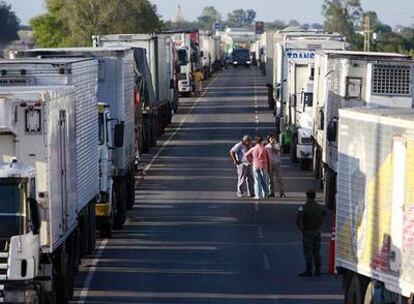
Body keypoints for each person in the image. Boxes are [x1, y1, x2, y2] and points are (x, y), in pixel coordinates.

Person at [296, 189, 326, 277]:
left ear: (307, 196)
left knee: (308, 251)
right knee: (316, 251)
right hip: (317, 231)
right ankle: (318, 270)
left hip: (307, 231)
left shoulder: (303, 207)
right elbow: (324, 213)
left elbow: (297, 217)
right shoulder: (319, 206)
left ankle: (308, 270)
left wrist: (301, 228)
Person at [265, 134, 286, 198]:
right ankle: (271, 192)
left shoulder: (277, 145)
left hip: (277, 163)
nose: (272, 140)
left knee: (279, 179)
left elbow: (277, 151)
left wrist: (272, 146)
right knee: (270, 179)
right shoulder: (266, 147)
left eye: (273, 138)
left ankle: (282, 193)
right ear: (269, 139)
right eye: (271, 139)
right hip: (270, 164)